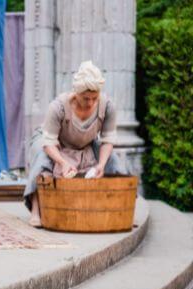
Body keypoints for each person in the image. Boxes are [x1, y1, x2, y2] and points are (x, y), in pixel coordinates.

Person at [23, 61, 128, 227]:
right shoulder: (58, 107)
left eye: (94, 98)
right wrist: (63, 163)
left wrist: (101, 164)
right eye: (86, 98)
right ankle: (36, 210)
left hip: (86, 142)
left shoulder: (107, 106)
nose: (90, 103)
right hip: (53, 141)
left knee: (112, 160)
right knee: (42, 158)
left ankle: (122, 208)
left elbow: (108, 140)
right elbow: (48, 142)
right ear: (76, 92)